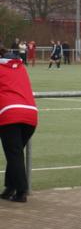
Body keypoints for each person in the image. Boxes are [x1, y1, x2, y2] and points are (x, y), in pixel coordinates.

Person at [0, 44, 38, 203]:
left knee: (13, 153)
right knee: (15, 153)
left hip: (10, 113)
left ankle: (21, 191)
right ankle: (10, 187)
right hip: (30, 113)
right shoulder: (21, 67)